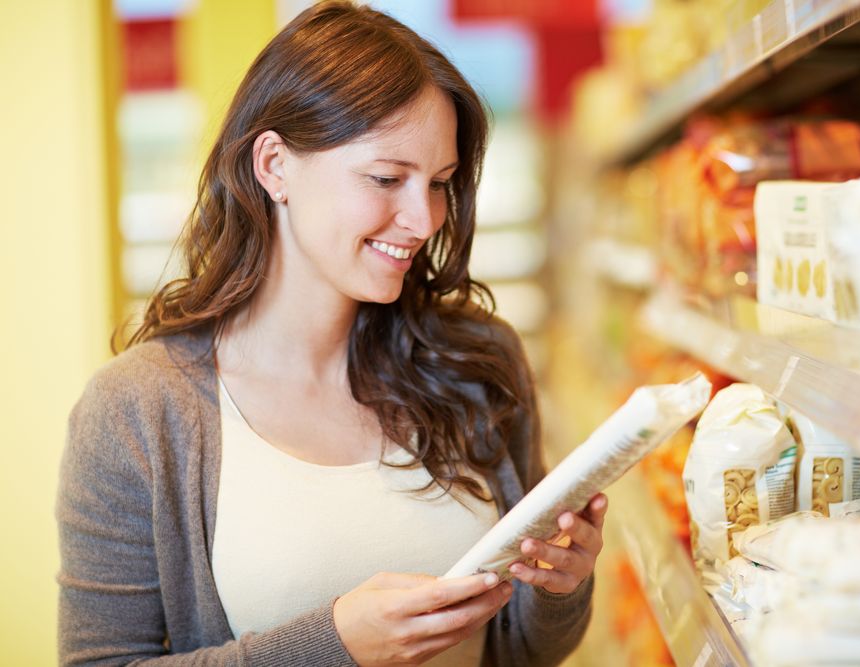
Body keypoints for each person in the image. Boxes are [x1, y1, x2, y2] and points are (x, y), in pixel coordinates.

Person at [56, 2, 606, 665]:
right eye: (386, 178)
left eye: (439, 183)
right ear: (274, 166)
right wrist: (335, 644)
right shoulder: (137, 413)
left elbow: (522, 649)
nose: (423, 217)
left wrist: (561, 586)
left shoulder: (477, 362)